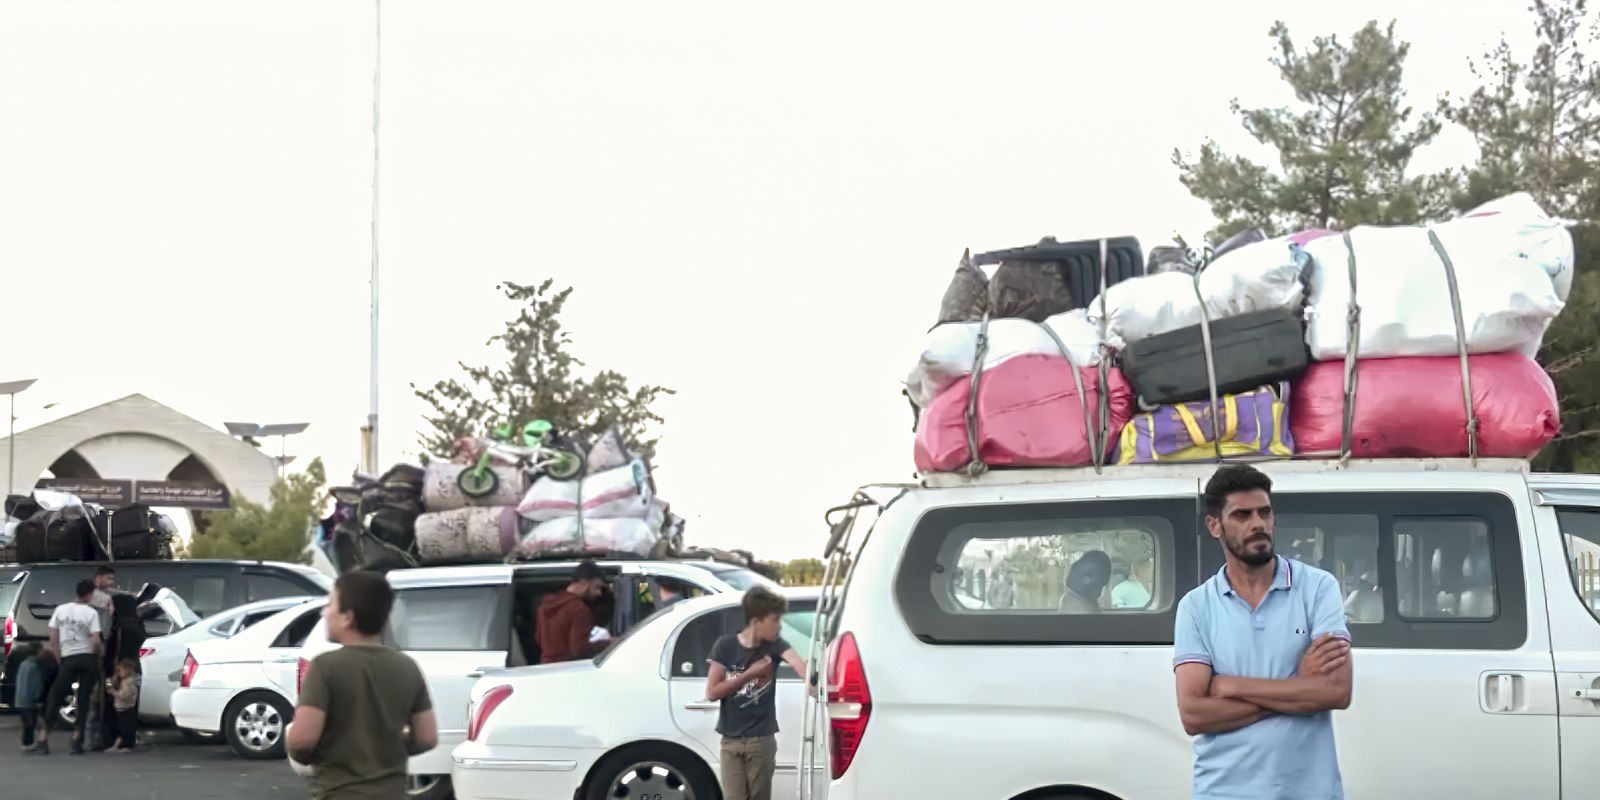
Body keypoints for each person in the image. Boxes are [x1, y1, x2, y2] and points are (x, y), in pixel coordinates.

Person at [1173, 465, 1353, 800]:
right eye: (1241, 515)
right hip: (1223, 792)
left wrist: (1231, 686)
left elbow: (1335, 691)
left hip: (1309, 791)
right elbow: (1194, 714)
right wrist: (1298, 688)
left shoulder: (1317, 588)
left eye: (1264, 512)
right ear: (1214, 525)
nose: (1257, 523)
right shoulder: (1196, 607)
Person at [287, 571, 438, 799]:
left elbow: (302, 740)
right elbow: (427, 738)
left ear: (348, 617)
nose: (324, 612)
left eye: (330, 604)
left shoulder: (325, 667)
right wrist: (386, 750)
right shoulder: (407, 667)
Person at [705, 586, 806, 800]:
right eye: (775, 620)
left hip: (762, 740)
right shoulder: (725, 645)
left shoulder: (776, 645)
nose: (779, 626)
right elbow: (712, 692)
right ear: (756, 621)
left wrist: (813, 680)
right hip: (731, 740)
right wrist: (750, 674)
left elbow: (799, 664)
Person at [43, 579, 104, 755]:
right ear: (89, 594)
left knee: (55, 696)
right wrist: (98, 656)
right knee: (83, 699)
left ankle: (43, 737)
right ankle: (77, 740)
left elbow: (53, 636)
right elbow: (96, 640)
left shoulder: (60, 610)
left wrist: (58, 656)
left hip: (68, 659)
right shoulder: (91, 613)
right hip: (88, 659)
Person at [535, 561, 612, 663]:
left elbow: (538, 638)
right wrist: (607, 643)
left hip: (545, 667)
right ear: (584, 583)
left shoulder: (544, 604)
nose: (598, 593)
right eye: (596, 587)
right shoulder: (579, 609)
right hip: (569, 669)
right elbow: (580, 650)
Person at [102, 593, 147, 750]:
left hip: (123, 672)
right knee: (130, 708)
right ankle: (127, 741)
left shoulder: (123, 626)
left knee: (121, 709)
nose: (110, 609)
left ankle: (121, 742)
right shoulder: (137, 624)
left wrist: (115, 675)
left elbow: (119, 652)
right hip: (135, 670)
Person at [16, 644, 59, 754]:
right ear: (38, 651)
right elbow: (37, 684)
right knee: (35, 723)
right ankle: (32, 743)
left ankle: (26, 743)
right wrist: (38, 699)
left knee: (26, 723)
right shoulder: (35, 666)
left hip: (20, 699)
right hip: (30, 700)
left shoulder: (23, 664)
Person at [106, 659, 140, 753]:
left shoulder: (128, 682)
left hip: (127, 708)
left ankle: (127, 746)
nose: (119, 673)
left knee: (126, 729)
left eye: (120, 671)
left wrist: (114, 692)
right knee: (121, 729)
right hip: (121, 708)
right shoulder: (124, 681)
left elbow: (125, 695)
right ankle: (117, 745)